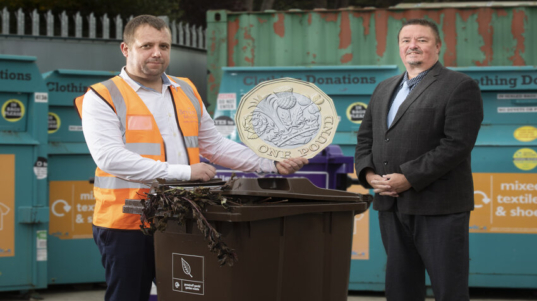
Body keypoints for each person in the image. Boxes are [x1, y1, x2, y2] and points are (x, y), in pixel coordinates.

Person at [75, 15, 308, 301]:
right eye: (146, 45)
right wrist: (186, 173)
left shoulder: (184, 88)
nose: (157, 53)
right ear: (126, 49)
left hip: (182, 217)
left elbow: (215, 147)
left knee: (189, 295)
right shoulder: (102, 96)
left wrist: (269, 163)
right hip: (127, 223)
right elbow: (109, 158)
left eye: (164, 45)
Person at [354, 19, 483, 300]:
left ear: (437, 46)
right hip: (391, 204)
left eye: (422, 40)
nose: (412, 45)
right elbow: (365, 138)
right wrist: (368, 175)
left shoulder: (460, 86)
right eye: (406, 40)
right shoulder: (384, 88)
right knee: (401, 288)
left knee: (448, 287)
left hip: (440, 206)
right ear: (399, 47)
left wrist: (408, 178)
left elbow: (457, 144)